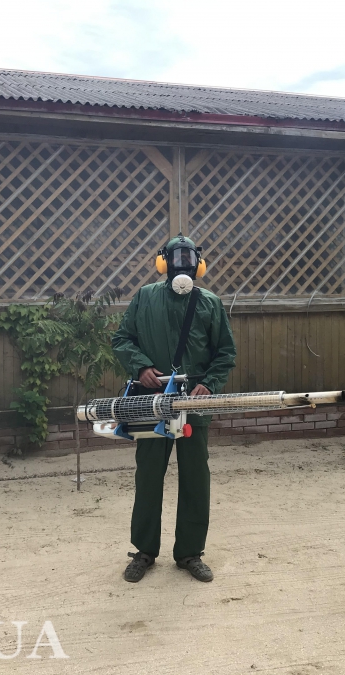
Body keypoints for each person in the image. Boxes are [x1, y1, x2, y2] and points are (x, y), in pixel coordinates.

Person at [112, 235, 236, 583]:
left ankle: (190, 553)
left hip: (193, 402)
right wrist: (140, 367)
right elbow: (122, 339)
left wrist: (208, 384)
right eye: (176, 256)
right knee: (148, 476)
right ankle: (144, 551)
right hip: (152, 401)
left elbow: (225, 353)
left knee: (195, 477)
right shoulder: (145, 297)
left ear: (199, 263)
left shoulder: (210, 303)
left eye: (189, 257)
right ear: (163, 262)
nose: (183, 263)